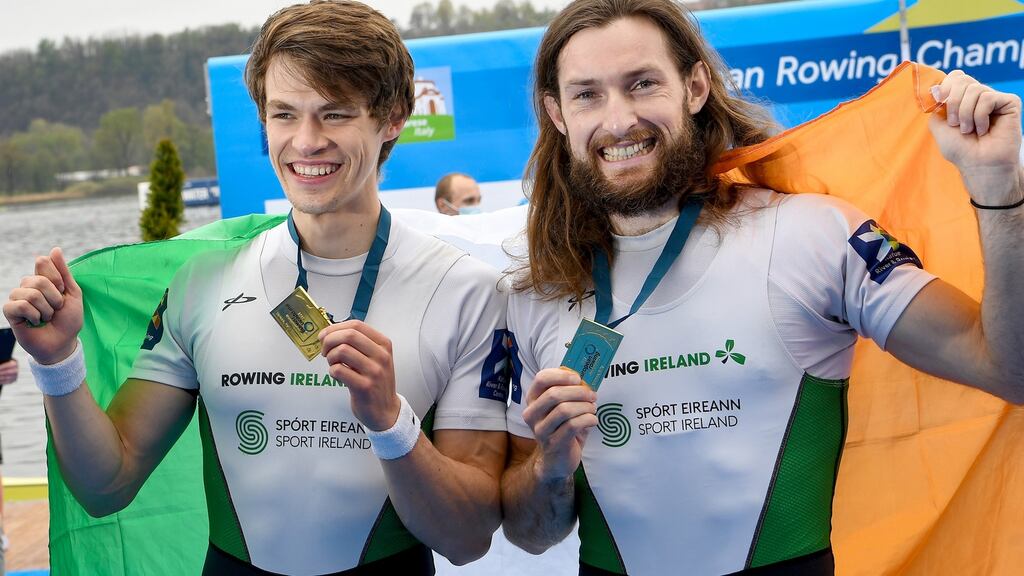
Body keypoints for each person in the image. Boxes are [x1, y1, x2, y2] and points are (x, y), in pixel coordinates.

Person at [499, 1, 1023, 575]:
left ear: (695, 85)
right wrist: (549, 467)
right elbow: (529, 535)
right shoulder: (537, 289)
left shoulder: (811, 235)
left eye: (642, 83)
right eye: (587, 94)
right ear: (556, 113)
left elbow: (1008, 370)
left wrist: (999, 186)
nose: (619, 119)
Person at [3, 2, 510, 574]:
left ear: (393, 116)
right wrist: (59, 365)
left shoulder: (466, 292)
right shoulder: (201, 283)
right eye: (285, 114)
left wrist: (390, 421)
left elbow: (468, 540)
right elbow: (107, 486)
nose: (306, 141)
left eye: (335, 114)